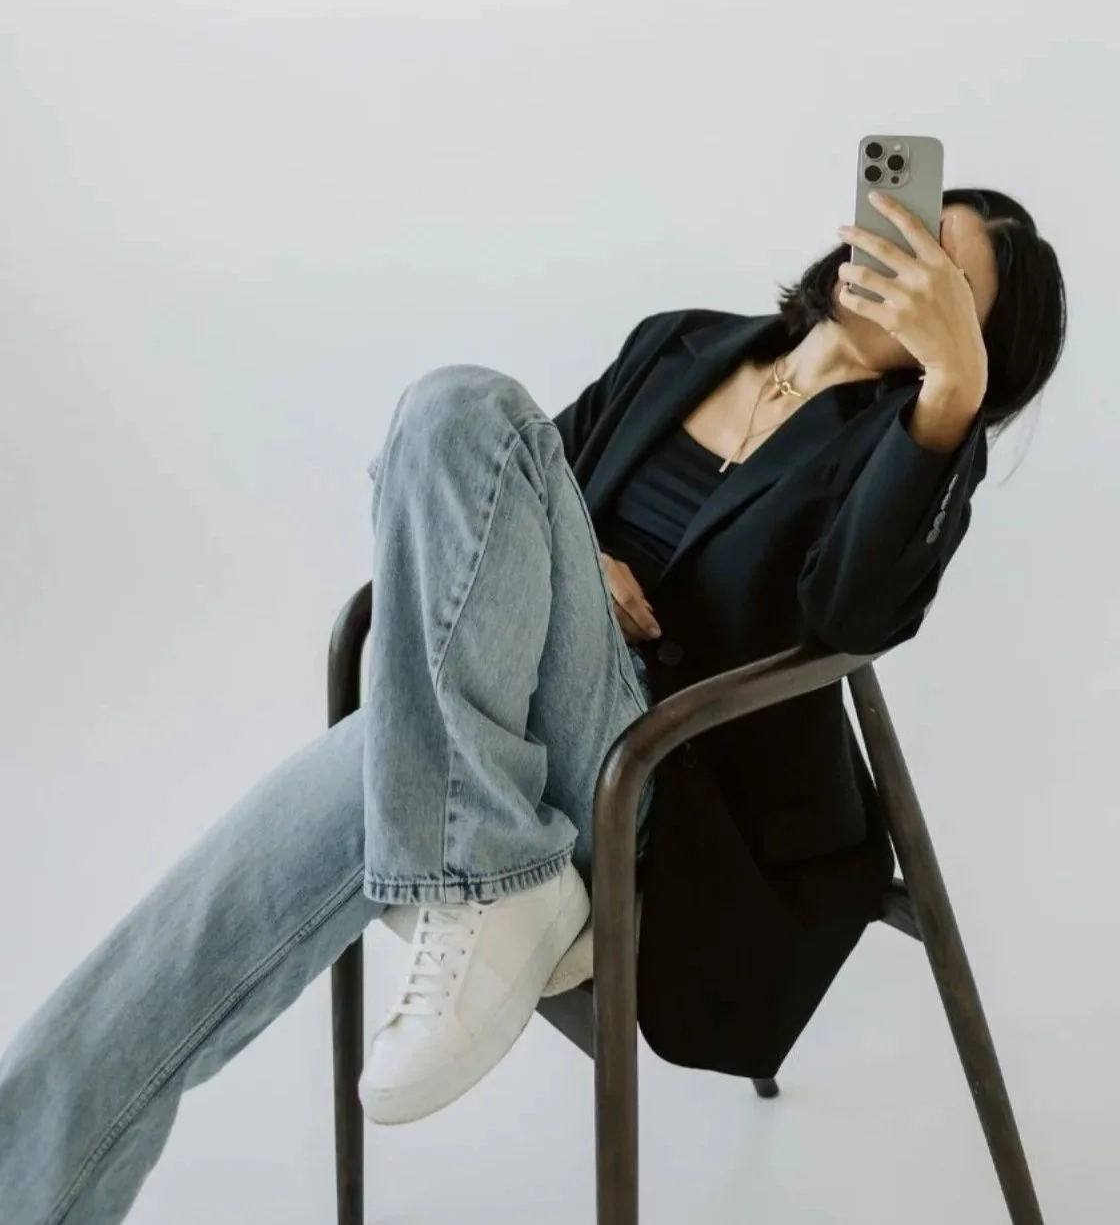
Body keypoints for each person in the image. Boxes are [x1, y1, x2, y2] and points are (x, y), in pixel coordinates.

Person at [0, 187, 1065, 1223]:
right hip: (495, 742)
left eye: (946, 276)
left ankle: (483, 870)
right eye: (910, 231)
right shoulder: (681, 344)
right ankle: (495, 874)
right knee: (450, 415)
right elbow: (464, 495)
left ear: (970, 346)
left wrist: (948, 406)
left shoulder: (906, 450)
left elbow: (853, 612)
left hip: (655, 787)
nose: (907, 264)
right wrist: (583, 556)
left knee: (462, 409)